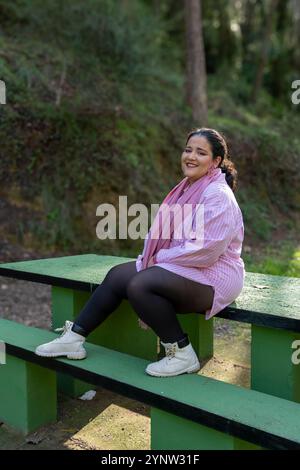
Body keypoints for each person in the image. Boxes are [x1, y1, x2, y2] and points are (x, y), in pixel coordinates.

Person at [35, 127, 245, 378]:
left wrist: (158, 260)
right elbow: (168, 236)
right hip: (187, 265)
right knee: (117, 276)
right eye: (188, 149)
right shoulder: (187, 188)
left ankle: (181, 353)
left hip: (215, 275)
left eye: (201, 152)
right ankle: (74, 337)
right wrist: (151, 259)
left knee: (141, 284)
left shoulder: (217, 195)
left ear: (216, 161)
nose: (191, 156)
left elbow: (206, 250)